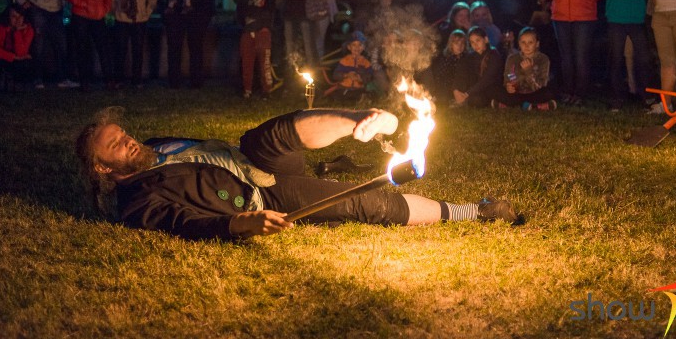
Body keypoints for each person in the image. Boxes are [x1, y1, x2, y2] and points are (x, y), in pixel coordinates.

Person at [76, 107, 520, 240]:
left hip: (252, 161)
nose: (129, 141)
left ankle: (358, 120)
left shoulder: (155, 144)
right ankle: (475, 211)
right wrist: (236, 222)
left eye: (124, 133)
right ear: (101, 167)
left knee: (262, 137)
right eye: (116, 144)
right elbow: (181, 222)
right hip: (262, 195)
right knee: (361, 200)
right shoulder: (136, 202)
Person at [605, 0, 651, 111]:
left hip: (636, 20)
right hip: (616, 19)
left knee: (644, 59)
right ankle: (616, 98)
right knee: (615, 59)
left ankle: (645, 96)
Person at [64, 0, 113, 90]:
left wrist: (104, 9)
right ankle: (84, 81)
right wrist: (82, 4)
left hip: (98, 16)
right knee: (82, 48)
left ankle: (108, 79)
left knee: (103, 48)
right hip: (81, 17)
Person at [112, 0, 157, 88]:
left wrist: (147, 12)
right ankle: (119, 79)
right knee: (120, 50)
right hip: (122, 18)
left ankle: (137, 80)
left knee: (137, 50)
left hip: (139, 19)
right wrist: (115, 11)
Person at [494, 27, 556, 111]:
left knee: (548, 93)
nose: (526, 46)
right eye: (523, 42)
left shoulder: (543, 59)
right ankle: (532, 106)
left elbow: (540, 85)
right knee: (497, 91)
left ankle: (513, 105)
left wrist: (528, 71)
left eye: (530, 42)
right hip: (517, 93)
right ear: (519, 43)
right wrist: (509, 86)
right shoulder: (512, 58)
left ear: (537, 44)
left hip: (535, 92)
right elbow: (509, 76)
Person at [237, 0, 276, 98]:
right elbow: (241, 10)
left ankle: (267, 90)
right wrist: (244, 22)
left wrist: (262, 25)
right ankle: (247, 89)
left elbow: (268, 12)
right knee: (247, 61)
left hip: (262, 32)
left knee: (264, 62)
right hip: (248, 31)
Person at [0, 3, 34, 91]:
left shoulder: (28, 29)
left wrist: (17, 32)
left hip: (18, 60)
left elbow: (21, 52)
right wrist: (13, 57)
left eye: (20, 16)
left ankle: (17, 82)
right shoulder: (1, 27)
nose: (18, 20)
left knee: (26, 63)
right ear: (8, 17)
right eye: (14, 17)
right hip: (6, 58)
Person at [452, 26, 503, 108]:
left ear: (485, 39)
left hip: (491, 87)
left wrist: (467, 94)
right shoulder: (470, 56)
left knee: (477, 99)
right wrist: (456, 90)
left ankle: (494, 102)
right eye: (472, 42)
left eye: (478, 40)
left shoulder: (493, 55)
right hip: (476, 89)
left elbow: (487, 79)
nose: (475, 45)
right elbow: (460, 74)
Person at [330, 31, 373, 103]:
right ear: (349, 47)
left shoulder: (366, 63)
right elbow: (335, 75)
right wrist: (347, 75)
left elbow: (370, 77)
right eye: (354, 45)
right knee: (338, 97)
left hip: (358, 89)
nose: (357, 47)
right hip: (344, 88)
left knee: (362, 96)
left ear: (363, 47)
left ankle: (361, 98)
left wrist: (361, 79)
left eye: (360, 45)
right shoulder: (344, 61)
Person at [431, 29, 470, 104]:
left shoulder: (466, 58)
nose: (459, 46)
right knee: (442, 97)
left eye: (462, 43)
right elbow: (442, 75)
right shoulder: (446, 58)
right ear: (451, 44)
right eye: (456, 43)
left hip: (461, 86)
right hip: (447, 86)